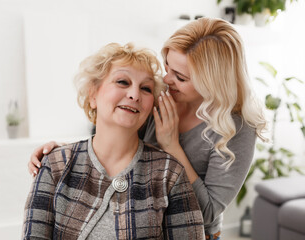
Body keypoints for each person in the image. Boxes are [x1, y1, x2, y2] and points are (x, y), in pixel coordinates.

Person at [28, 18, 267, 239]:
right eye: (167, 66)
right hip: (138, 215)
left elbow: (208, 212)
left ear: (212, 83)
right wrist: (68, 153)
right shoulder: (161, 94)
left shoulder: (237, 128)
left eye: (181, 77)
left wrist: (171, 145)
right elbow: (117, 134)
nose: (167, 80)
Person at [22, 42, 205, 239]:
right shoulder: (55, 165)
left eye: (145, 88)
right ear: (93, 94)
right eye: (122, 82)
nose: (134, 94)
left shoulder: (170, 173)